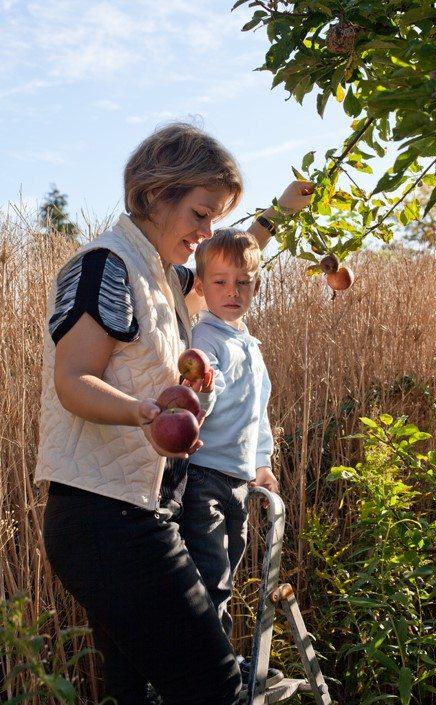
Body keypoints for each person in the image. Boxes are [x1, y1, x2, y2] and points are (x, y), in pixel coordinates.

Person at [35, 120, 313, 705]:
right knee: (215, 688)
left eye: (215, 217)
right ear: (156, 195)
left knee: (135, 692)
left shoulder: (159, 276)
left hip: (138, 513)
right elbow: (72, 381)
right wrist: (146, 412)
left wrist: (283, 210)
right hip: (105, 521)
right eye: (200, 214)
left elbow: (231, 260)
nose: (207, 230)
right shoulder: (104, 268)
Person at [177, 228, 281, 689]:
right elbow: (204, 397)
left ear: (256, 287)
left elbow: (257, 414)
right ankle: (210, 672)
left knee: (227, 572)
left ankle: (214, 661)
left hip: (237, 480)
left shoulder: (250, 345)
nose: (232, 292)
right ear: (200, 287)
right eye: (219, 282)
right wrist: (202, 386)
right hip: (203, 478)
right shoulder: (206, 338)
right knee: (210, 577)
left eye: (242, 282)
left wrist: (262, 462)